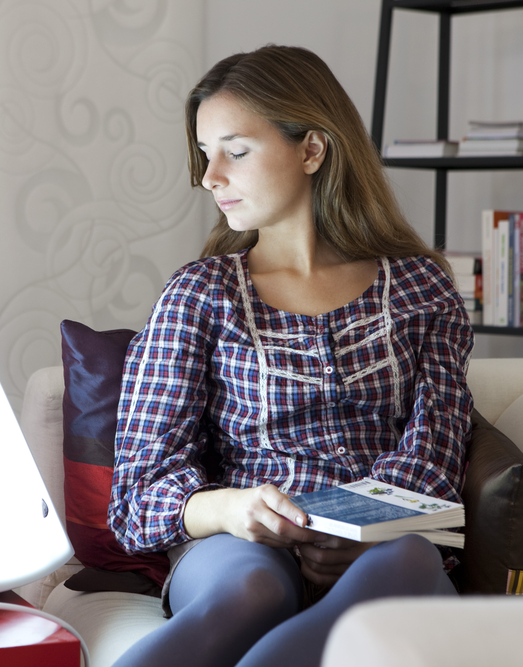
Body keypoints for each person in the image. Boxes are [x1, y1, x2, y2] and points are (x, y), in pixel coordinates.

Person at [107, 44, 473, 667]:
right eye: (204, 155)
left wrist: (364, 528)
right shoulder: (199, 293)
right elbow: (137, 494)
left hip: (385, 547)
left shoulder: (420, 286)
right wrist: (230, 507)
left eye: (235, 151)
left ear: (311, 149)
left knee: (410, 556)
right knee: (253, 588)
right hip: (241, 543)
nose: (209, 176)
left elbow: (436, 450)